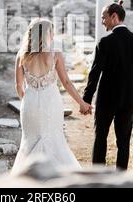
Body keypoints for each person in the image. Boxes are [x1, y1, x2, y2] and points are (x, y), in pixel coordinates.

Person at [11, 18, 92, 174]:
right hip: (51, 102)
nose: (53, 34)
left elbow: (18, 86)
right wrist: (82, 103)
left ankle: (28, 176)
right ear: (48, 34)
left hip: (30, 102)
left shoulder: (22, 55)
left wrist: (26, 100)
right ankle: (58, 176)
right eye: (52, 31)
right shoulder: (55, 54)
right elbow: (67, 82)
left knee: (29, 141)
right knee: (55, 139)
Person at [82, 0, 133, 170]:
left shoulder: (105, 42)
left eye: (104, 17)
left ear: (114, 16)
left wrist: (86, 100)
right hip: (128, 100)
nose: (102, 21)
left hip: (106, 100)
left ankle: (97, 176)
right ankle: (121, 179)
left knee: (101, 137)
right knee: (123, 142)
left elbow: (95, 73)